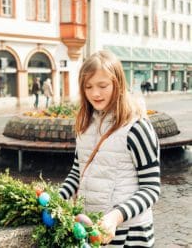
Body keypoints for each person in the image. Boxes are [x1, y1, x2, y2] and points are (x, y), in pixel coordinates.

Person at [59, 50, 160, 247]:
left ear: (118, 83)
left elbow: (151, 188)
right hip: (94, 228)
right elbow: (77, 172)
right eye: (88, 87)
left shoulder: (137, 127)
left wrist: (115, 217)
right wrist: (56, 199)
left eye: (102, 85)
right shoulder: (85, 125)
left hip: (130, 232)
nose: (95, 93)